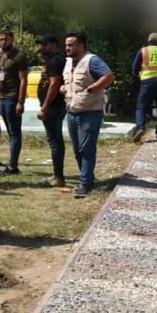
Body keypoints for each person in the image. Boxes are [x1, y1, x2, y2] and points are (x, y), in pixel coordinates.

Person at [63, 33, 115, 198]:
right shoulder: (69, 62)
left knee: (86, 148)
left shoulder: (92, 60)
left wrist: (92, 88)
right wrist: (64, 89)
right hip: (72, 111)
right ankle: (88, 178)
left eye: (71, 45)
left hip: (90, 112)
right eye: (66, 45)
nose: (68, 48)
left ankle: (84, 183)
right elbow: (70, 82)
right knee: (78, 150)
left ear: (81, 45)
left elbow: (108, 76)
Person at [0, 30, 29, 176]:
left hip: (13, 99)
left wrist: (20, 102)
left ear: (12, 40)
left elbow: (23, 80)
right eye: (1, 39)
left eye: (6, 39)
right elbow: (0, 79)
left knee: (15, 134)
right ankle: (12, 164)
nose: (3, 42)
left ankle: (12, 167)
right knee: (11, 134)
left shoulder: (19, 56)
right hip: (3, 100)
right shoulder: (2, 56)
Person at [36, 35, 67, 188]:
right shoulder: (54, 60)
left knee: (55, 142)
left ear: (53, 45)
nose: (42, 47)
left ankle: (58, 177)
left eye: (45, 44)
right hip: (54, 106)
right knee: (55, 141)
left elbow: (54, 85)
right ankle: (57, 175)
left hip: (53, 107)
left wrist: (44, 107)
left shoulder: (55, 60)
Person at [129, 32, 157, 143]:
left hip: (146, 83)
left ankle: (140, 128)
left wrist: (139, 79)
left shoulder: (142, 51)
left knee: (141, 108)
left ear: (148, 41)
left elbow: (134, 69)